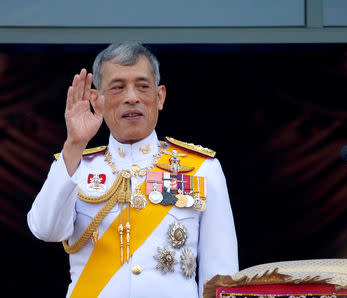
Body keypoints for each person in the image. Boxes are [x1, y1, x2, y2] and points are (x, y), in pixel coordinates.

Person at [27, 41, 239, 298]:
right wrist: (74, 144)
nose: (132, 97)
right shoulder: (76, 164)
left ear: (159, 96)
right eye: (118, 87)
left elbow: (220, 274)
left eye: (142, 86)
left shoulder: (202, 169)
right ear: (97, 99)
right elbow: (46, 230)